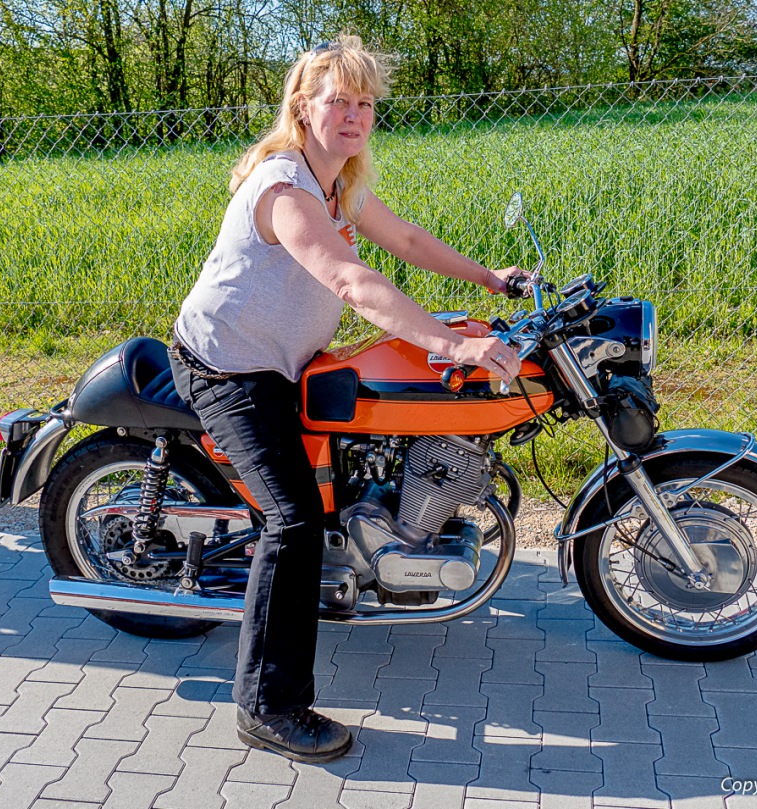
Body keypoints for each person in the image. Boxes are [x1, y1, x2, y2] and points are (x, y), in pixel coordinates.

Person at [169, 35, 522, 763]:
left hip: (287, 360)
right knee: (293, 519)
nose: (355, 114)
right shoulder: (283, 185)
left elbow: (407, 239)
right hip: (229, 367)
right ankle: (267, 705)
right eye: (340, 100)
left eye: (365, 102)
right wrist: (452, 346)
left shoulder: (340, 183)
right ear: (303, 107)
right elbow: (353, 282)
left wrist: (488, 278)